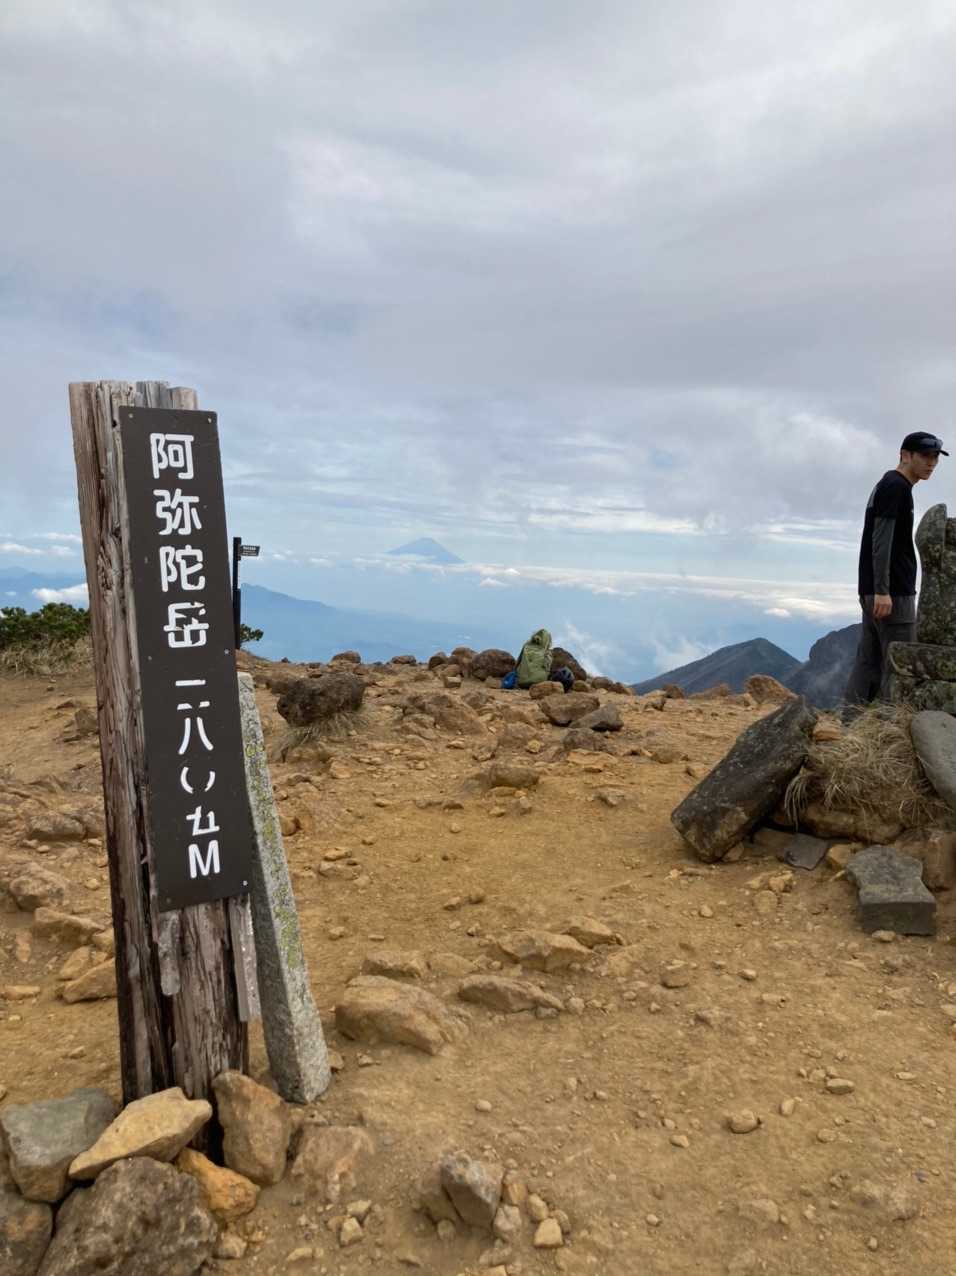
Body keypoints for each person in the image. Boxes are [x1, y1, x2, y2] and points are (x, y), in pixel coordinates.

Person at [844, 431, 947, 706]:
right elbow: (881, 541)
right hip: (892, 594)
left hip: (874, 590)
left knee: (869, 662)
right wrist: (883, 591)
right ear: (905, 455)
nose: (932, 462)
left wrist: (875, 590)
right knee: (900, 666)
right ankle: (890, 723)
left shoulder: (888, 484)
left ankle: (850, 720)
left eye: (935, 457)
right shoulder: (896, 487)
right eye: (925, 455)